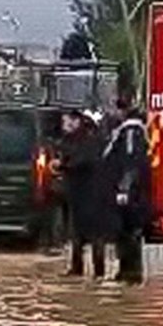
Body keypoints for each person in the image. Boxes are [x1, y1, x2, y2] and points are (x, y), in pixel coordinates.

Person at [59, 109, 118, 278]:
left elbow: (83, 161)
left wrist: (63, 165)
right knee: (77, 235)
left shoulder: (91, 140)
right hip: (78, 195)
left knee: (95, 237)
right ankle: (77, 269)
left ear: (77, 122)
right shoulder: (71, 140)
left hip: (93, 196)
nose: (64, 126)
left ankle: (98, 272)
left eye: (67, 122)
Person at [105, 105, 152, 284]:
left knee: (129, 232)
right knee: (126, 233)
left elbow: (131, 161)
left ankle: (131, 273)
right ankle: (127, 271)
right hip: (132, 192)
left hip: (131, 194)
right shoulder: (129, 132)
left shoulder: (131, 131)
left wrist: (124, 188)